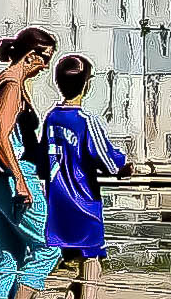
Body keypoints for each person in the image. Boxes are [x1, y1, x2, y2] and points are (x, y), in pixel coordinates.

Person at [0, 26, 62, 299]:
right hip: (11, 174)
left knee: (9, 254)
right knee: (49, 247)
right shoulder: (12, 84)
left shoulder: (4, 80)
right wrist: (20, 180)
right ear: (30, 55)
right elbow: (0, 134)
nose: (46, 66)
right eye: (44, 58)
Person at [42, 54, 130, 299]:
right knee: (92, 261)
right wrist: (126, 167)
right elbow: (108, 160)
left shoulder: (51, 118)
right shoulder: (85, 120)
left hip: (58, 201)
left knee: (72, 262)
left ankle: (74, 293)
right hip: (83, 201)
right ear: (87, 84)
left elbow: (42, 156)